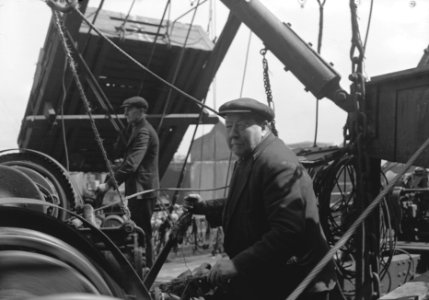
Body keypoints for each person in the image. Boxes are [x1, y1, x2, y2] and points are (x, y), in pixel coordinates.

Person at [185, 97, 336, 300]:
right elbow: (246, 207)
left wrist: (236, 265)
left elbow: (288, 233)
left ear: (265, 127)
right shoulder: (248, 159)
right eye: (229, 126)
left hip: (297, 284)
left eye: (242, 126)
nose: (233, 134)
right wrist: (204, 207)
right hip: (268, 276)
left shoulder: (277, 164)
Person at [98, 96, 159, 268]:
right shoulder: (134, 128)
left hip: (143, 190)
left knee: (142, 231)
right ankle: (143, 267)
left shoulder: (143, 132)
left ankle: (147, 269)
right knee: (139, 230)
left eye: (128, 109)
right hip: (137, 188)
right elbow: (125, 155)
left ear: (140, 111)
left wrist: (109, 184)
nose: (124, 113)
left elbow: (132, 164)